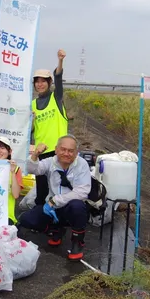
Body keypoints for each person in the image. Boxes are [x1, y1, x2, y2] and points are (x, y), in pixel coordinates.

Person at [18, 135, 91, 261]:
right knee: (26, 219)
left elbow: (82, 191)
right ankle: (54, 230)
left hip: (68, 208)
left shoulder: (82, 164)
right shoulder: (51, 162)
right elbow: (33, 169)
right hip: (52, 209)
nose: (66, 153)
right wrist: (35, 155)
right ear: (56, 149)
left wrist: (56, 201)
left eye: (70, 151)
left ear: (76, 153)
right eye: (63, 149)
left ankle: (77, 242)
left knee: (77, 206)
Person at [32, 49, 68, 206]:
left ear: (49, 83)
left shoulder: (56, 97)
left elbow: (59, 77)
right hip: (40, 153)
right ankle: (41, 220)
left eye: (43, 81)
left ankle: (58, 221)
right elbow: (32, 131)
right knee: (41, 189)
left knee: (58, 189)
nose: (40, 84)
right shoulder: (32, 105)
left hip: (58, 152)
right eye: (37, 81)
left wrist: (60, 61)